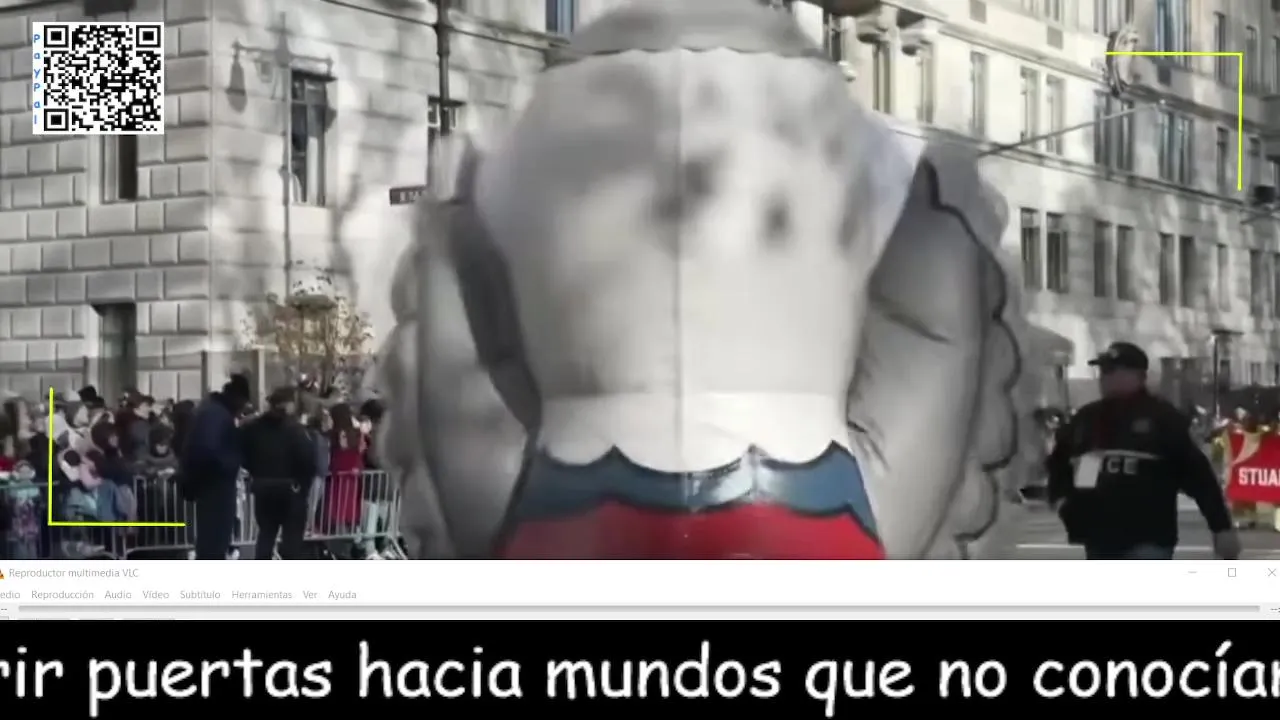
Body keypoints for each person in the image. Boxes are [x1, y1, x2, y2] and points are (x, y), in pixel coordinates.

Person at [1047, 341, 1240, 560]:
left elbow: (1198, 475)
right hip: (1099, 539)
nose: (1104, 377)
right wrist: (1064, 502)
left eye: (1112, 370)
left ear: (1137, 375)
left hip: (1148, 538)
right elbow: (1061, 464)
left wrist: (1221, 527)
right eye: (1102, 370)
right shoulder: (1087, 419)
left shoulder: (1162, 418)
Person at [241, 388, 316, 560]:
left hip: (263, 487)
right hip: (290, 489)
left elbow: (245, 455)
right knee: (292, 539)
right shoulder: (295, 430)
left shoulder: (254, 428)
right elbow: (307, 460)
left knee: (266, 534)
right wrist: (303, 486)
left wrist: (256, 473)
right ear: (289, 405)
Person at [183, 374, 250, 559]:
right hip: (215, 485)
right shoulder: (217, 415)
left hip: (212, 484)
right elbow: (208, 450)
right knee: (215, 538)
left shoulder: (212, 412)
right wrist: (232, 462)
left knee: (214, 538)